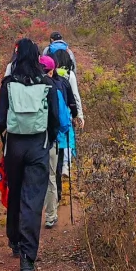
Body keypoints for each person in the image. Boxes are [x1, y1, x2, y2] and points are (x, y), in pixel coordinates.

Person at [0, 38, 60, 271]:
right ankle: (28, 257)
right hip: (38, 146)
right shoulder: (47, 84)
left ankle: (15, 241)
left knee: (15, 192)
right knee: (32, 200)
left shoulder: (8, 83)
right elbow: (55, 120)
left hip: (15, 146)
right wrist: (50, 139)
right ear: (37, 57)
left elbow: (0, 119)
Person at [41, 55, 79, 229]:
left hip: (33, 138)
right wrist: (75, 117)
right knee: (53, 172)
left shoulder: (32, 83)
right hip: (55, 136)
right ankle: (53, 208)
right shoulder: (62, 82)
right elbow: (71, 107)